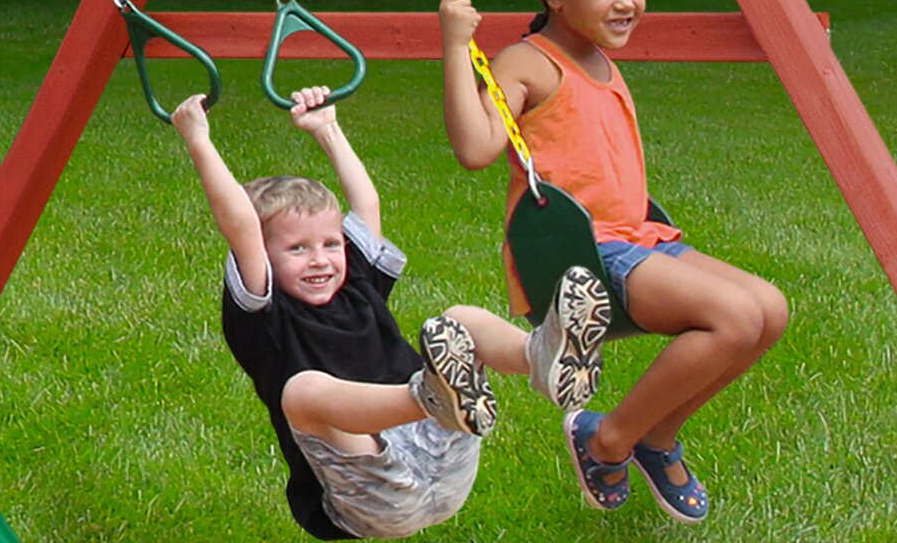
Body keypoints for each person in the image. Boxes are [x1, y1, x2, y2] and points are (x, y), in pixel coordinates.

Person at [439, 0, 788, 525]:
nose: (628, 2)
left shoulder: (599, 56)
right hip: (581, 254)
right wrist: (455, 46)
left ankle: (654, 438)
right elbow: (475, 150)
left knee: (769, 311)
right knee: (732, 318)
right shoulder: (529, 62)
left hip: (637, 237)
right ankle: (606, 440)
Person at [170, 85, 610, 540]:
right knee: (301, 391)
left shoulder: (357, 282)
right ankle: (429, 396)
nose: (320, 259)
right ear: (260, 256)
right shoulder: (264, 319)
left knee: (459, 318)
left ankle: (542, 358)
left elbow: (367, 206)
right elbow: (241, 224)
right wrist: (198, 140)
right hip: (371, 494)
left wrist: (329, 129)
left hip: (445, 454)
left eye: (330, 243)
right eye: (297, 248)